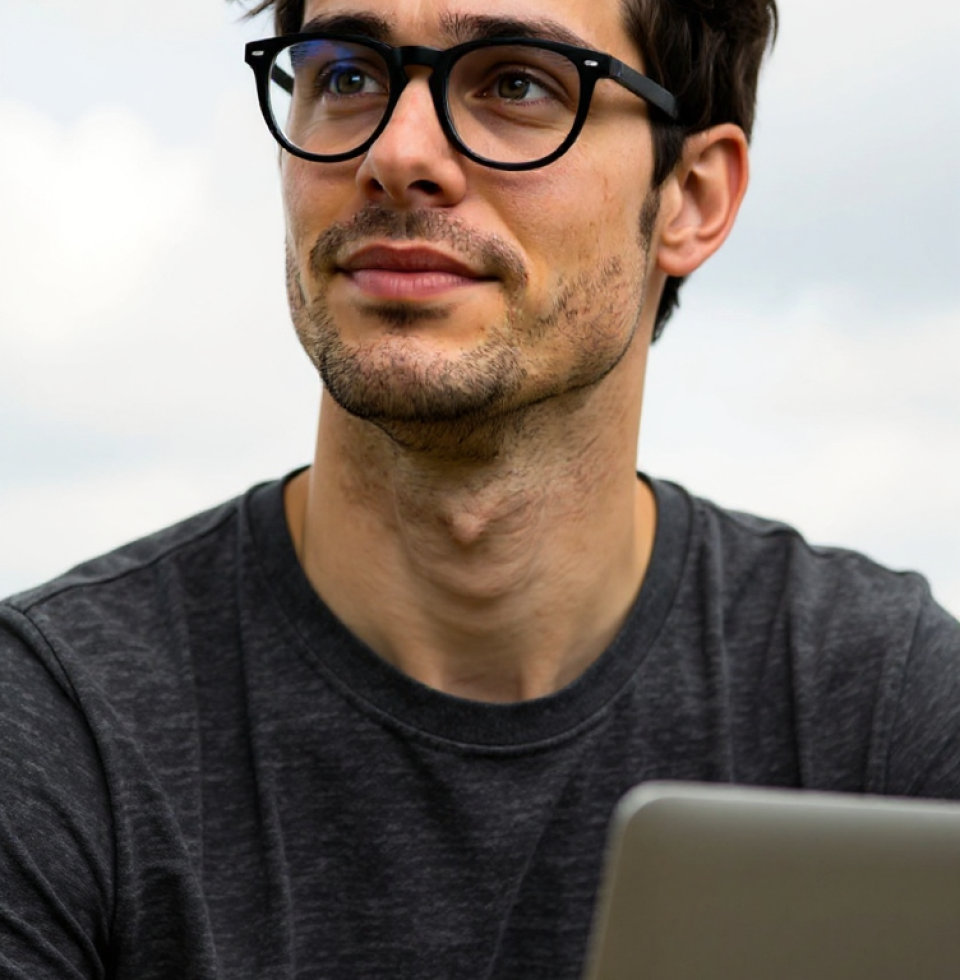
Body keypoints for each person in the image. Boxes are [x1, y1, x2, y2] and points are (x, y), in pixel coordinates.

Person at [1, 0, 958, 976]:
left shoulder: (883, 714)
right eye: (348, 75)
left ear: (691, 197)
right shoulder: (50, 722)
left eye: (516, 83)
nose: (399, 150)